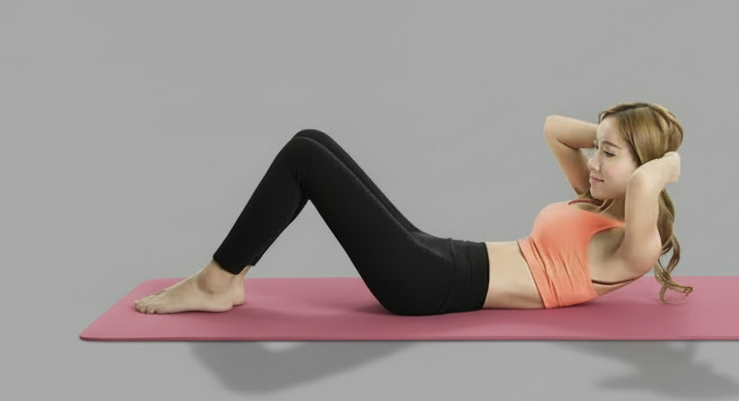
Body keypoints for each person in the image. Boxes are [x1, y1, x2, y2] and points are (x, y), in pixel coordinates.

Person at [134, 103, 688, 316]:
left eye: (608, 154)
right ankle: (228, 279)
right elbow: (554, 129)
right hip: (443, 256)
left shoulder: (634, 246)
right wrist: (615, 133)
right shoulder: (600, 197)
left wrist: (665, 159)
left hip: (431, 285)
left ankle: (216, 282)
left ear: (645, 167)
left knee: (304, 159)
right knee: (312, 140)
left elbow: (645, 185)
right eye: (598, 150)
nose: (593, 161)